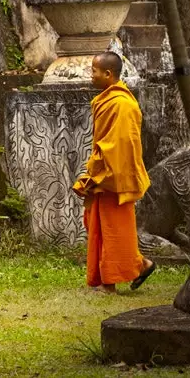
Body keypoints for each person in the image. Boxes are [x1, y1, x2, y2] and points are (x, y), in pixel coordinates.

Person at [72, 50, 155, 293]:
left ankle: (120, 277)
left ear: (108, 74)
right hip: (104, 173)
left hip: (114, 177)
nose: (91, 76)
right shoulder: (109, 101)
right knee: (98, 226)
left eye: (94, 71)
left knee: (115, 231)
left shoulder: (123, 104)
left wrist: (96, 172)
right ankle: (133, 269)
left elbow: (120, 146)